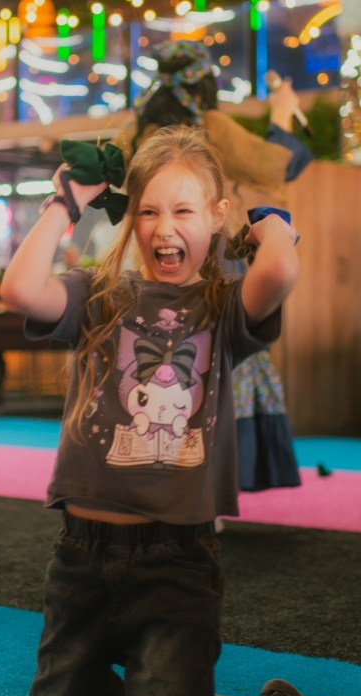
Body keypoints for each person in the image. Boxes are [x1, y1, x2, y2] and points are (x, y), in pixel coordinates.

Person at [1, 125, 361, 696]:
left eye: (184, 210)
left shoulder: (222, 306)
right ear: (131, 218)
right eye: (148, 210)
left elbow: (279, 269)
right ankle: (156, 694)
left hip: (176, 563)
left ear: (215, 216)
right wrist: (64, 203)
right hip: (81, 558)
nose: (163, 227)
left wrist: (269, 223)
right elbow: (20, 289)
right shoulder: (97, 296)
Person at [122, 39, 313, 494]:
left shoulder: (135, 131)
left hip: (147, 258)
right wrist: (283, 114)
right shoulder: (212, 128)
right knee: (223, 356)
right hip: (209, 257)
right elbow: (277, 167)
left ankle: (157, 472)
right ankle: (212, 482)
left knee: (162, 364)